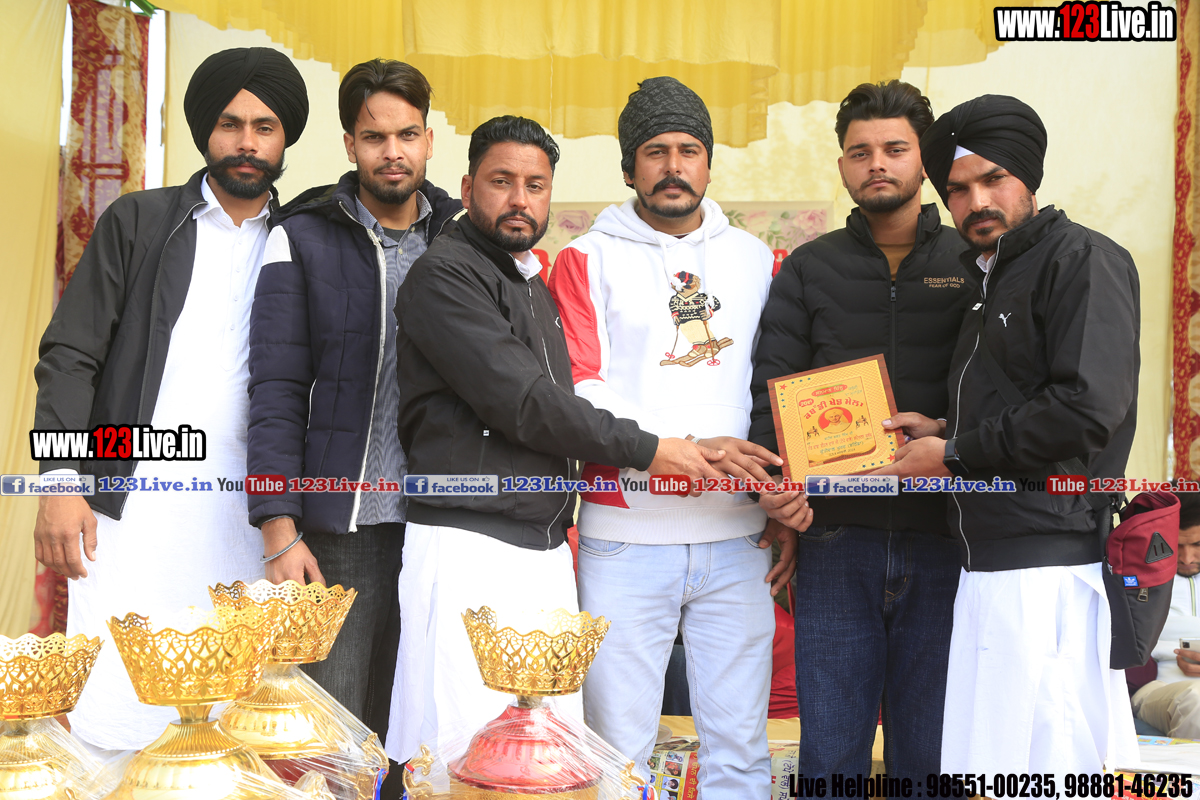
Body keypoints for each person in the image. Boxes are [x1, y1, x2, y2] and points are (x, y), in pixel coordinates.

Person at [383, 115, 727, 768]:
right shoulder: (445, 275)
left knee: (544, 760)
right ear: (467, 187)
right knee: (465, 758)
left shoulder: (527, 279)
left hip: (540, 546)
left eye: (535, 185)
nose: (520, 199)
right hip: (468, 545)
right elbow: (526, 404)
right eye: (501, 182)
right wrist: (652, 449)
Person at [31, 47, 308, 756]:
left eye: (265, 127)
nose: (247, 142)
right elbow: (70, 354)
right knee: (117, 710)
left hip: (251, 518)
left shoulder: (304, 240)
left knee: (236, 723)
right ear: (205, 131)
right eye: (230, 124)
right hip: (130, 512)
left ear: (285, 138)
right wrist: (60, 481)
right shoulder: (139, 221)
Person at [877, 94, 1141, 774]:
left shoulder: (1081, 259)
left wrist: (953, 454)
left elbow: (1086, 409)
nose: (977, 202)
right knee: (994, 771)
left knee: (1049, 768)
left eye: (993, 179)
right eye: (958, 189)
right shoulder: (993, 276)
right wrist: (945, 428)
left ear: (1027, 177)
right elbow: (1022, 397)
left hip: (1047, 572)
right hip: (988, 567)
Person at [546, 76, 789, 799]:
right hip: (624, 539)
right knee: (617, 754)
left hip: (739, 541)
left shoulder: (758, 260)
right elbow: (580, 385)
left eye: (689, 150)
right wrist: (694, 446)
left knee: (739, 752)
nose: (673, 166)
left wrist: (782, 501)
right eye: (655, 152)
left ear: (710, 163)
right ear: (629, 168)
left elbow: (775, 386)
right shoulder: (584, 258)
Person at [748, 80, 974, 780]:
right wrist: (776, 492)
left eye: (895, 149)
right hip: (835, 541)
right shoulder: (809, 268)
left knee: (930, 757)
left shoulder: (973, 263)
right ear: (843, 165)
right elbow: (770, 389)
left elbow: (1003, 387)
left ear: (925, 159)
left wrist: (948, 432)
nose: (877, 163)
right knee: (831, 755)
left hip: (948, 536)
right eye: (859, 151)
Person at [245, 59, 460, 742]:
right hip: (344, 528)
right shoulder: (303, 235)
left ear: (429, 140)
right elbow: (276, 387)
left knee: (422, 728)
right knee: (332, 731)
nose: (393, 152)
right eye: (374, 137)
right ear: (349, 145)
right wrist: (278, 527)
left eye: (407, 135)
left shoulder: (462, 237)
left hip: (444, 525)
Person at [1131, 491, 1200, 739]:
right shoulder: (1137, 580)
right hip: (1156, 689)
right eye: (1177, 545)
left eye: (1198, 545)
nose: (1187, 559)